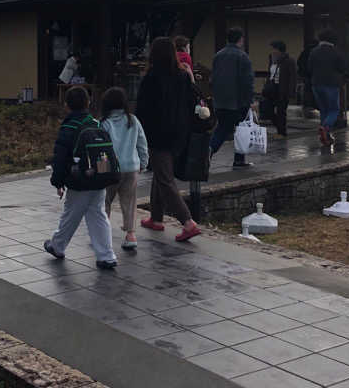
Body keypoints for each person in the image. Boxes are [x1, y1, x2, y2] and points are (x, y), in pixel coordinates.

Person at [135, 36, 201, 241]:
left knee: (164, 178)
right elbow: (192, 101)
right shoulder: (182, 75)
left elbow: (142, 109)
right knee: (160, 173)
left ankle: (188, 222)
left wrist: (137, 133)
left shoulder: (151, 77)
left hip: (157, 133)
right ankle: (156, 218)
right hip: (180, 133)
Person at [44, 85, 118, 269]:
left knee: (71, 215)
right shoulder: (96, 123)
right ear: (88, 103)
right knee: (98, 215)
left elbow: (60, 157)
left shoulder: (69, 125)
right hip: (99, 178)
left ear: (67, 105)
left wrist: (58, 181)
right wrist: (100, 175)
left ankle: (57, 246)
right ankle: (106, 256)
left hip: (79, 181)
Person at [100, 86, 149, 251]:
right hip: (131, 168)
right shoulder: (133, 120)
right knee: (129, 203)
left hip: (111, 171)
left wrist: (102, 170)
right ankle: (131, 235)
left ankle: (102, 235)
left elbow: (101, 149)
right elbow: (142, 143)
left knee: (104, 202)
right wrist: (143, 162)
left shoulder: (104, 123)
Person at [209, 28, 255, 168]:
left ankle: (237, 159)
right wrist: (250, 100)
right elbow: (247, 81)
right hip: (238, 101)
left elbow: (213, 79)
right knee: (238, 130)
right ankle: (235, 158)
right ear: (240, 39)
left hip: (220, 100)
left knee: (223, 127)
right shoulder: (242, 56)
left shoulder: (218, 55)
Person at [306, 29, 346, 145]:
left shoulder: (313, 52)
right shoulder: (336, 52)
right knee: (334, 110)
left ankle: (326, 137)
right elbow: (342, 68)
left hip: (316, 84)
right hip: (332, 84)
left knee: (324, 110)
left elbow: (309, 68)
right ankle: (325, 128)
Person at [266, 41, 296, 137]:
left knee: (281, 111)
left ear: (279, 50)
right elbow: (269, 74)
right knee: (268, 110)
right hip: (272, 87)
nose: (272, 51)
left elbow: (293, 77)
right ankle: (279, 126)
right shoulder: (272, 59)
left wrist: (291, 92)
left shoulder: (289, 61)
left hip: (283, 88)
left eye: (274, 49)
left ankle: (281, 132)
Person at [296, 38, 318, 116]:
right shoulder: (315, 52)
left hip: (305, 75)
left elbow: (299, 62)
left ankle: (307, 105)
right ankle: (313, 105)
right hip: (313, 75)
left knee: (306, 90)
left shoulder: (305, 51)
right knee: (312, 90)